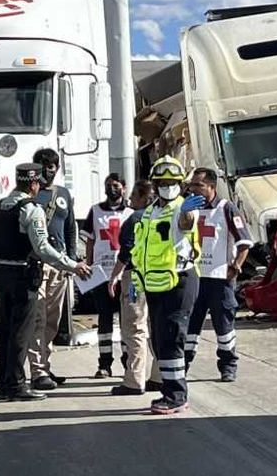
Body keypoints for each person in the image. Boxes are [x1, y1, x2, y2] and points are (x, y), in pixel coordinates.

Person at [0, 164, 92, 402]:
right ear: (34, 184)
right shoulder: (31, 210)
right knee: (21, 333)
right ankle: (16, 385)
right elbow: (43, 248)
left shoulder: (1, 207)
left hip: (3, 275)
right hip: (23, 276)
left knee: (4, 332)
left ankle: (3, 384)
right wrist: (72, 265)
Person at [110, 156, 202, 415]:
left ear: (180, 184)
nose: (166, 186)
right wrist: (135, 282)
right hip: (154, 284)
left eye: (172, 182)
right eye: (161, 182)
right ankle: (169, 391)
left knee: (172, 337)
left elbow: (186, 224)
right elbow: (140, 251)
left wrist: (186, 215)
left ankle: (176, 395)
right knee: (160, 341)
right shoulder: (150, 213)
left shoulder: (184, 208)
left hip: (180, 281)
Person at [184, 168, 253, 382]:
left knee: (223, 327)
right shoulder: (188, 210)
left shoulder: (226, 208)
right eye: (192, 185)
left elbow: (244, 242)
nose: (193, 189)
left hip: (219, 280)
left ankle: (227, 366)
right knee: (189, 327)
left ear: (211, 187)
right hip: (194, 278)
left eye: (198, 185)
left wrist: (236, 266)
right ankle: (182, 366)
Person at [27, 148, 79, 390]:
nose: (50, 169)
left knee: (52, 321)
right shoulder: (29, 195)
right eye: (45, 165)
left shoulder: (64, 195)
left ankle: (45, 366)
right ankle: (37, 372)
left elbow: (70, 228)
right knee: (37, 319)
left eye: (54, 165)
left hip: (59, 267)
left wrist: (71, 259)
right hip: (36, 265)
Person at [107, 180, 162, 396]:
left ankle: (134, 379)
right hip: (160, 278)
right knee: (156, 326)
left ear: (145, 199)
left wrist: (114, 276)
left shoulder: (136, 219)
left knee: (134, 326)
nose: (130, 200)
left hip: (136, 279)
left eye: (134, 196)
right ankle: (159, 376)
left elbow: (126, 251)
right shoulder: (164, 216)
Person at [80, 173, 134, 379]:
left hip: (125, 274)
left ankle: (128, 362)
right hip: (102, 273)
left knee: (127, 320)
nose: (112, 189)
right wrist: (89, 263)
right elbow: (90, 240)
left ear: (124, 187)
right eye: (108, 185)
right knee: (104, 319)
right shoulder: (95, 211)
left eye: (116, 185)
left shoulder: (130, 213)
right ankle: (104, 363)